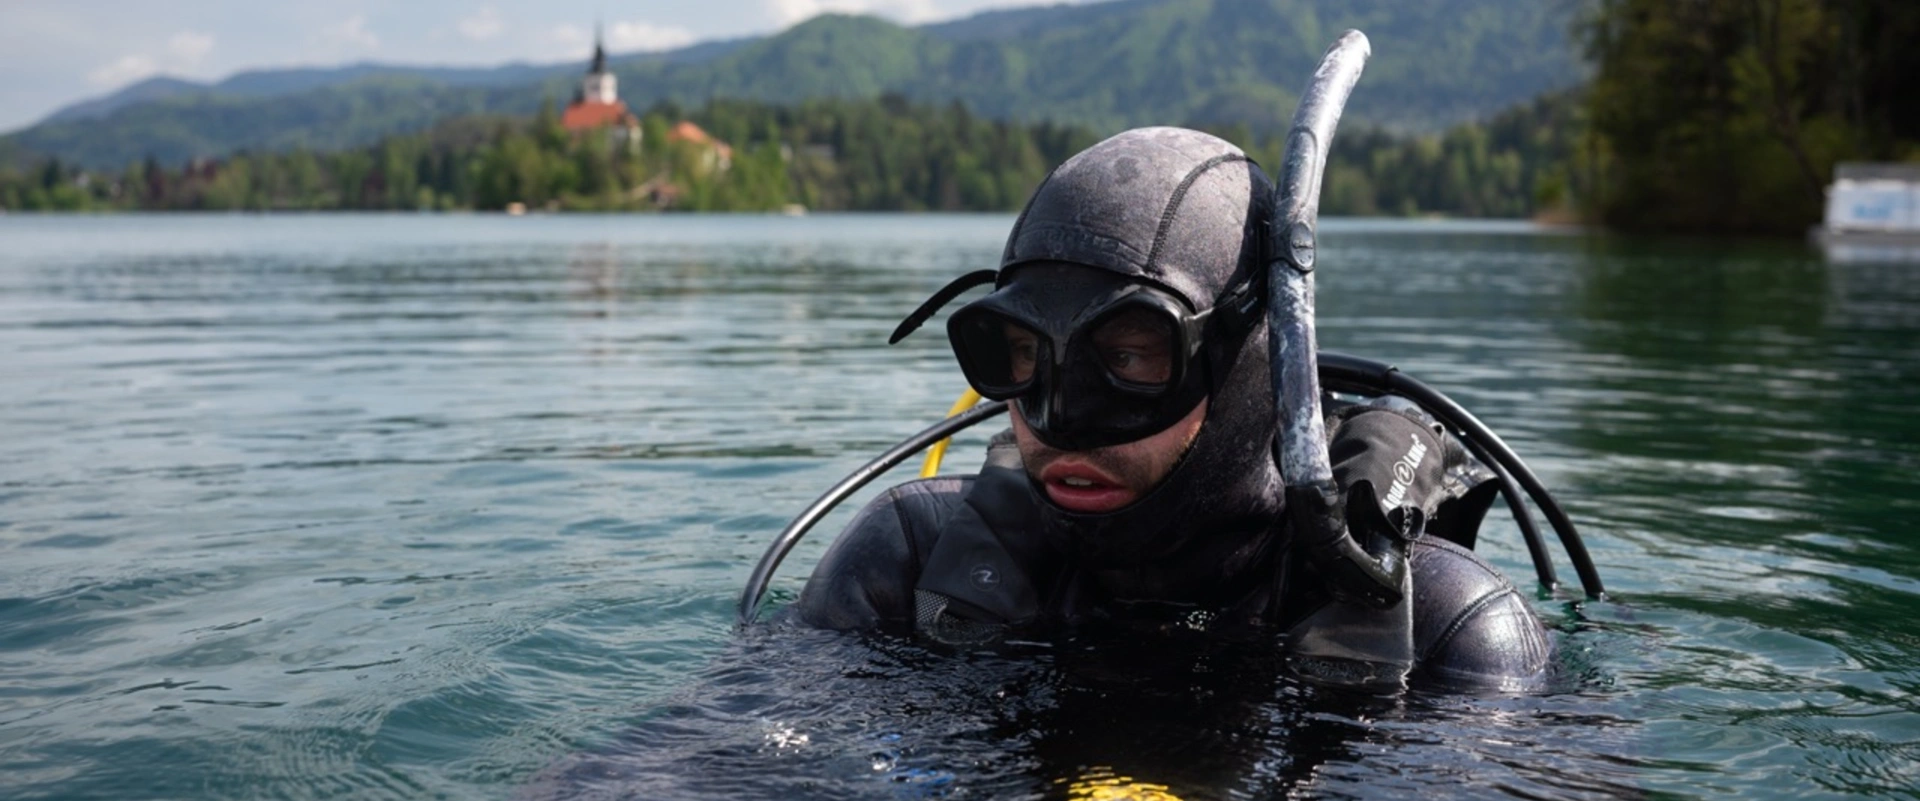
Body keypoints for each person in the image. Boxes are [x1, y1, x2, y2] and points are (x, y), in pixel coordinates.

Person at [792, 127, 1552, 690]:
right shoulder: (909, 565)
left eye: (1129, 358)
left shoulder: (1448, 630)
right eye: (1025, 353)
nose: (1061, 420)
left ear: (1245, 371)